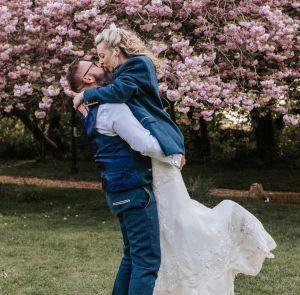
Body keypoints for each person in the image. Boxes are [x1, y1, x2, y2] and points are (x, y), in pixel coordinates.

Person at [71, 24, 277, 294]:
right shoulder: (112, 105)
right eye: (94, 62)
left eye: (101, 56)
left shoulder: (101, 103)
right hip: (133, 189)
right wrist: (171, 155)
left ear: (115, 49)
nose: (100, 62)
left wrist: (85, 96)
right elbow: (143, 143)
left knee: (133, 256)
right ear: (87, 79)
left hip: (117, 190)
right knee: (146, 261)